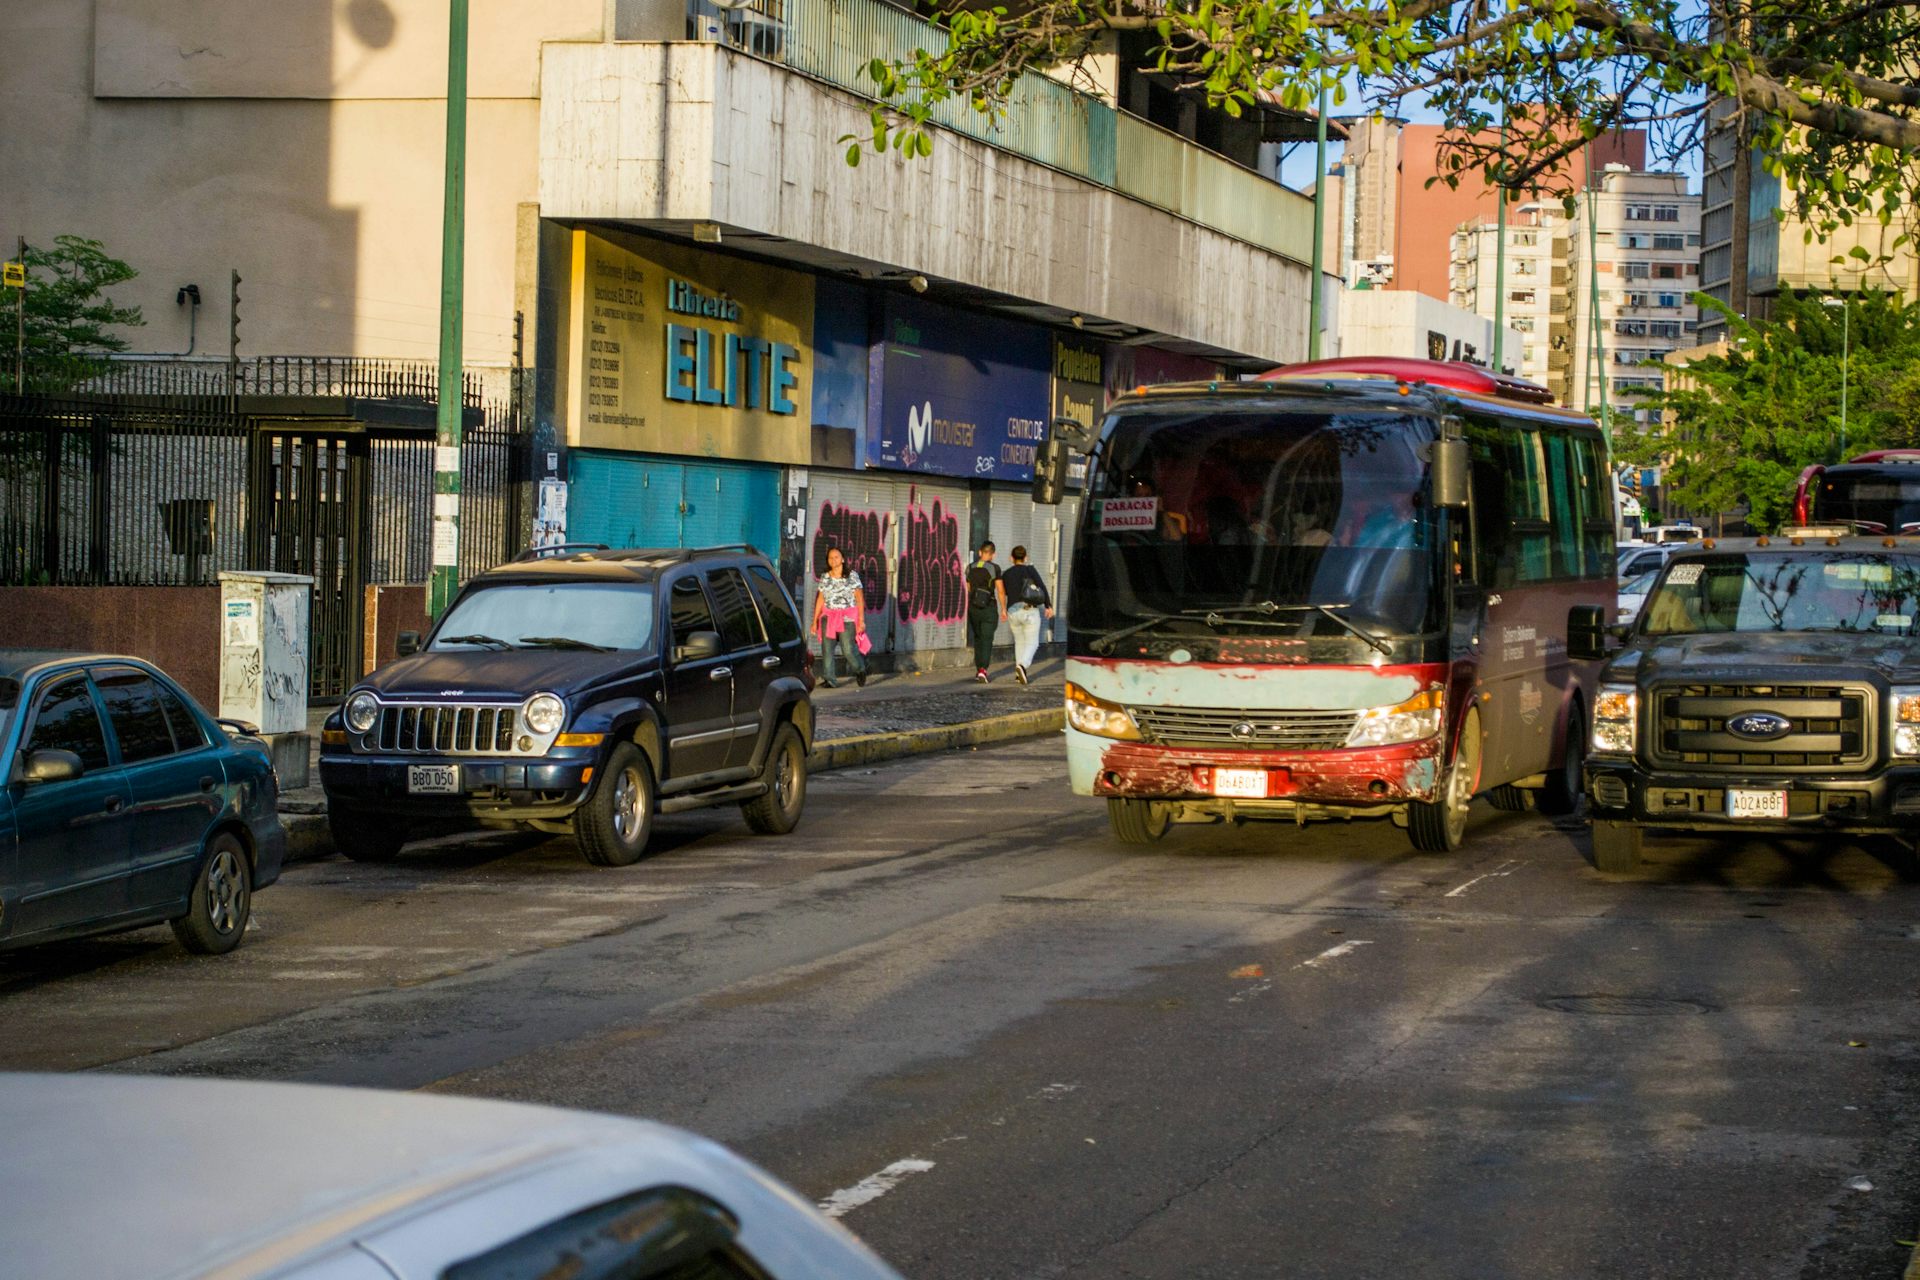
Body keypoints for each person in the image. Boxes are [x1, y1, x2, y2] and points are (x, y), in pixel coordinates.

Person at [809, 545, 868, 688]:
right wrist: (815, 620)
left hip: (847, 618)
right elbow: (821, 599)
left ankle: (860, 669)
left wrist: (861, 620)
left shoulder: (852, 576)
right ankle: (830, 679)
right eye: (830, 557)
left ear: (842, 559)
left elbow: (859, 598)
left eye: (836, 557)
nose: (833, 560)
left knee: (848, 650)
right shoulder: (825, 577)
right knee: (827, 649)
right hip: (828, 617)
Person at [999, 546, 1054, 684]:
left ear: (1011, 558)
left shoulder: (1006, 574)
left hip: (1012, 612)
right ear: (1026, 558)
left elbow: (1004, 593)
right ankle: (1022, 666)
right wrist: (1048, 606)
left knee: (1019, 642)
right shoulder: (1030, 570)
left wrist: (1004, 609)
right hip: (1028, 610)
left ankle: (1019, 675)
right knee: (1033, 643)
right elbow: (1042, 586)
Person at [965, 540, 1006, 682]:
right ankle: (983, 669)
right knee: (987, 638)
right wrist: (1004, 609)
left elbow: (969, 588)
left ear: (980, 553)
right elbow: (1000, 590)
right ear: (993, 555)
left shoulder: (969, 567)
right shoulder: (994, 568)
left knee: (978, 638)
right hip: (989, 607)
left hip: (973, 607)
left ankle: (978, 670)